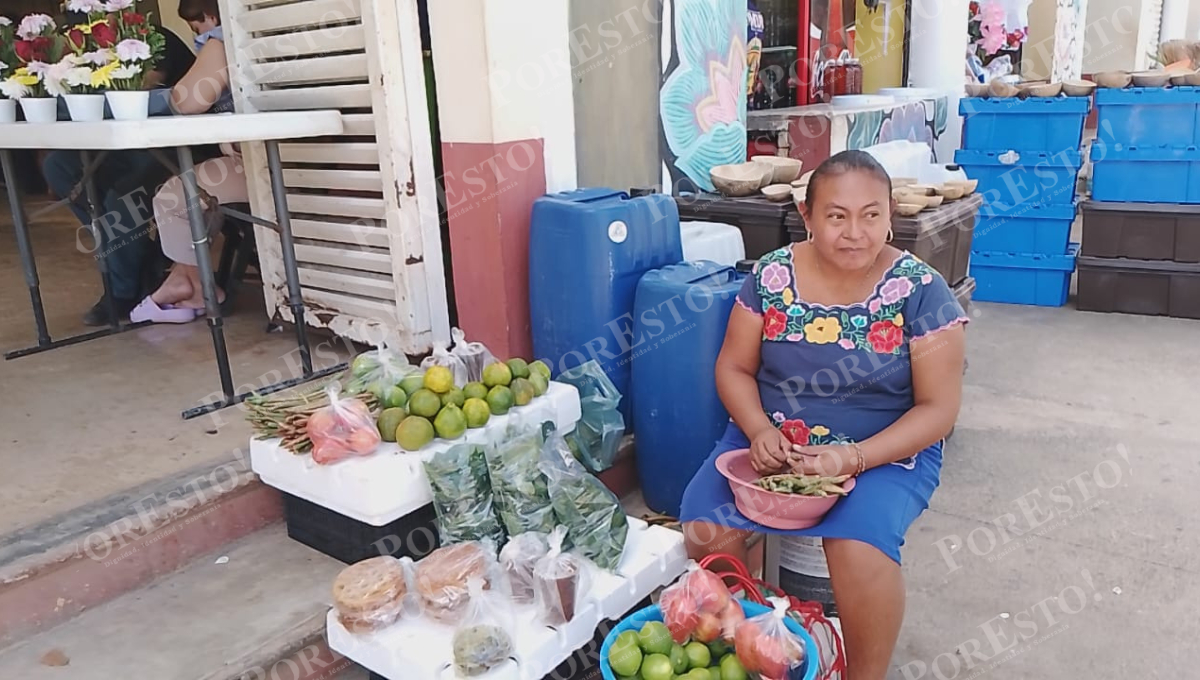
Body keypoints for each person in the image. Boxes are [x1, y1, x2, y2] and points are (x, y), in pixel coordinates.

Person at [679, 150, 967, 680]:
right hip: (772, 439)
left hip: (884, 449)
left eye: (871, 214)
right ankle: (755, 646)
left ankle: (865, 673)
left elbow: (939, 410)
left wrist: (853, 457)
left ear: (890, 215)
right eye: (836, 215)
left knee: (857, 545)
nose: (855, 231)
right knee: (704, 526)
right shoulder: (770, 277)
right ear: (807, 216)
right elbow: (734, 368)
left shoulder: (922, 292)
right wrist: (759, 428)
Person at [41, 26, 196, 326]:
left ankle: (122, 290)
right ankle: (141, 253)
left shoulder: (153, 36)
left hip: (175, 143)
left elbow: (144, 83)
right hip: (124, 142)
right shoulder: (85, 44)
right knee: (58, 166)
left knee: (124, 193)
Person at [129, 0, 244, 323]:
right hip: (317, 164)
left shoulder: (223, 39)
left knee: (173, 195)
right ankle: (188, 282)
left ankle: (192, 286)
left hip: (264, 168)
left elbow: (188, 101)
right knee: (197, 193)